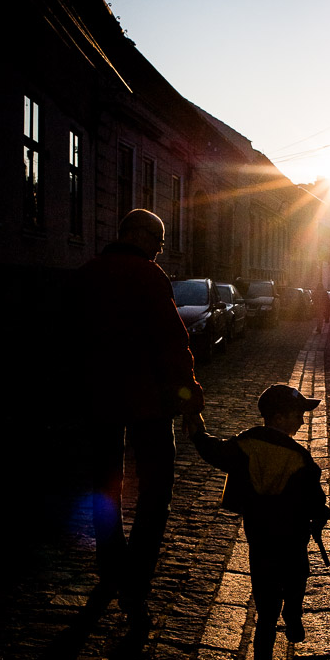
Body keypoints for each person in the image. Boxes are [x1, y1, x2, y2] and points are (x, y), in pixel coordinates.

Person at [73, 209, 204, 629]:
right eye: (157, 241)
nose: (158, 250)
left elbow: (64, 338)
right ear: (138, 235)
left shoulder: (87, 273)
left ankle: (111, 567)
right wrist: (190, 401)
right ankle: (136, 581)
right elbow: (172, 344)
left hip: (99, 400)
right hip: (149, 402)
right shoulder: (148, 277)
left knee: (105, 485)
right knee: (156, 488)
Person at [185, 384, 330, 660]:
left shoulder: (245, 444)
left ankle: (264, 636)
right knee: (297, 573)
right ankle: (293, 613)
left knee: (263, 585)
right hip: (293, 535)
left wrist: (198, 434)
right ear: (278, 418)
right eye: (297, 414)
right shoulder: (301, 459)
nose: (302, 420)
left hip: (259, 532)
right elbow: (315, 499)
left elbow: (215, 452)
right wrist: (321, 512)